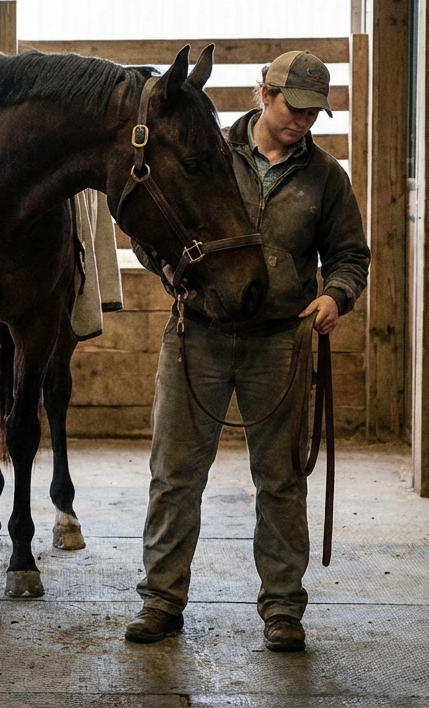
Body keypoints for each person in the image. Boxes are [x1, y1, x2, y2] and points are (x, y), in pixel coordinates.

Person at [123, 50, 370, 652]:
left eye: (314, 114)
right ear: (264, 93)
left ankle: (283, 608)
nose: (302, 123)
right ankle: (161, 600)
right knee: (176, 473)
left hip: (278, 343)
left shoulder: (326, 178)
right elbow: (151, 228)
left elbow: (350, 256)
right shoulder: (210, 154)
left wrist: (336, 296)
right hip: (198, 334)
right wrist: (167, 270)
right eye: (294, 108)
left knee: (281, 479)